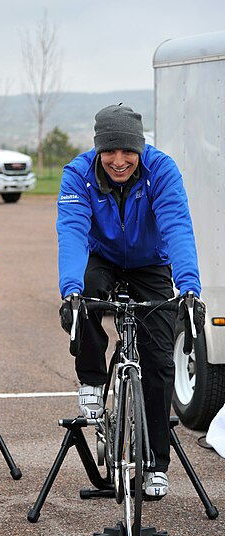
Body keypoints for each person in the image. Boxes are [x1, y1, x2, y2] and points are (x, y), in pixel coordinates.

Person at [56, 104, 205, 498]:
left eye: (127, 152)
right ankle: (91, 378)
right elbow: (71, 232)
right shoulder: (78, 174)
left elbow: (177, 225)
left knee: (158, 362)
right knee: (84, 295)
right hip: (101, 257)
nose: (118, 161)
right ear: (97, 150)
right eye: (109, 152)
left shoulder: (162, 170)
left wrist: (189, 288)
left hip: (150, 264)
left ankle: (157, 464)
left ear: (140, 149)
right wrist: (69, 291)